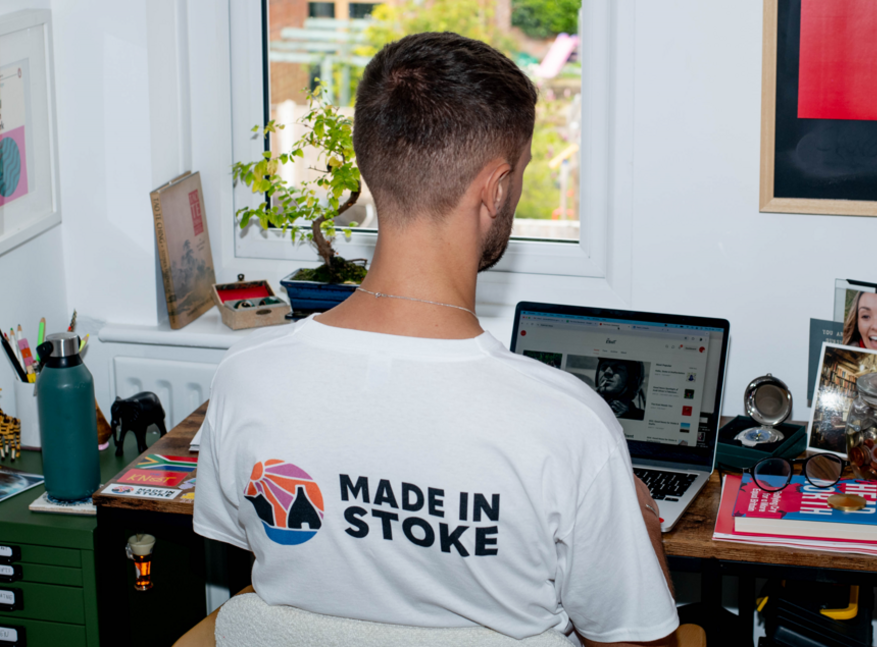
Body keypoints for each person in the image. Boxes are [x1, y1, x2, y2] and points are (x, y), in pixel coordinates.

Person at [192, 32, 677, 647]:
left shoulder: (245, 379)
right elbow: (637, 642)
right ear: (496, 188)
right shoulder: (569, 426)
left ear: (370, 162)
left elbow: (264, 566)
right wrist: (639, 524)